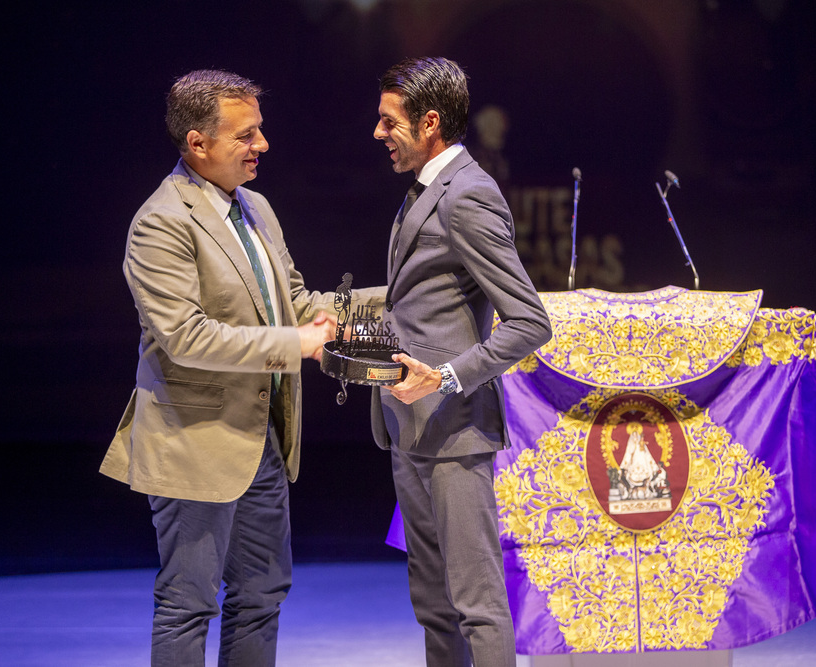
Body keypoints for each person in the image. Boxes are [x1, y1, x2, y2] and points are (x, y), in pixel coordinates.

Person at [100, 69, 341, 667]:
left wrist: (402, 299)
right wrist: (296, 344)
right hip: (195, 440)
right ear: (197, 143)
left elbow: (298, 300)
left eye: (260, 130)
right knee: (189, 604)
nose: (262, 145)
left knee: (262, 594)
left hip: (261, 439)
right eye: (247, 134)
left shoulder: (255, 207)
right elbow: (185, 337)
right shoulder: (160, 222)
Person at [370, 57, 553, 667]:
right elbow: (415, 299)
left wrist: (447, 376)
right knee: (433, 602)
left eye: (388, 121)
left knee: (475, 601)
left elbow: (530, 321)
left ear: (428, 123)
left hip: (453, 431)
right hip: (410, 426)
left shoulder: (468, 195)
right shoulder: (425, 190)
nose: (378, 133)